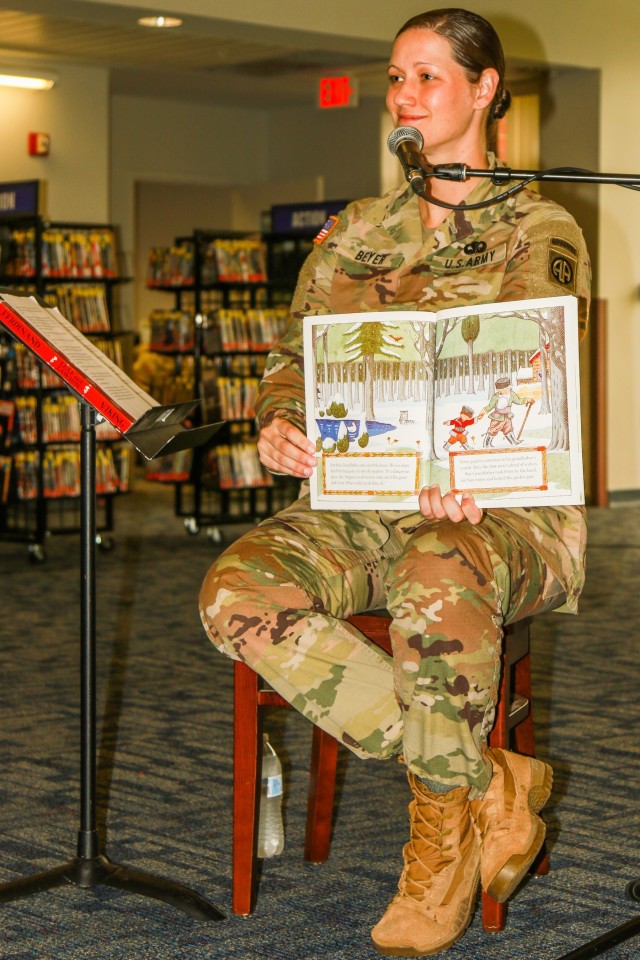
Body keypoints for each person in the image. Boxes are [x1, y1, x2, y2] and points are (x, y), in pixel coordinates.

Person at [199, 8, 590, 956]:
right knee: (233, 594)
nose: (405, 97)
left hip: (500, 510)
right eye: (395, 78)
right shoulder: (354, 231)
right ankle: (484, 780)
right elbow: (292, 362)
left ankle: (437, 846)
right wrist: (278, 422)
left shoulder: (540, 226)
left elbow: (537, 381)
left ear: (485, 88)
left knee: (436, 563)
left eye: (428, 77)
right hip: (355, 497)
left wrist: (477, 478)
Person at [478, 376, 535, 446]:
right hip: (497, 417)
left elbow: (518, 401)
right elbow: (490, 406)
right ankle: (487, 443)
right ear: (500, 390)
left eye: (509, 387)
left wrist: (527, 400)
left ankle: (513, 441)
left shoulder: (512, 394)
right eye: (507, 388)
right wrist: (482, 412)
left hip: (507, 416)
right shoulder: (496, 397)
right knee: (493, 429)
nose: (510, 389)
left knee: (508, 428)